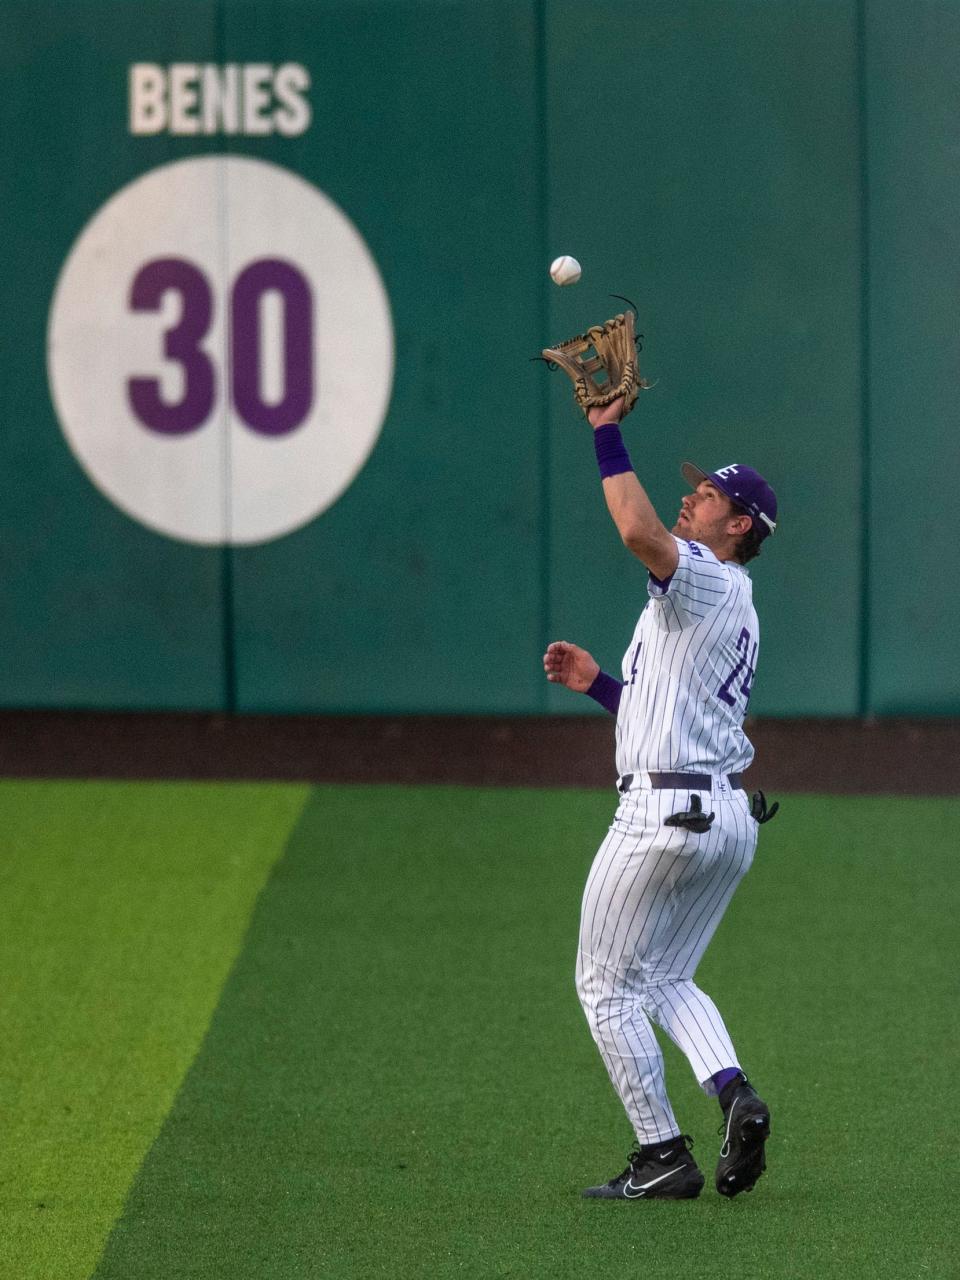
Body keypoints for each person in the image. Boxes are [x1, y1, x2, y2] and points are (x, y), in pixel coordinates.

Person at [543, 395, 778, 1201]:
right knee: (663, 975)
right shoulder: (725, 605)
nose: (692, 497)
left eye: (709, 495)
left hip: (662, 819)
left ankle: (662, 1154)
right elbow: (671, 716)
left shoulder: (706, 577)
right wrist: (600, 686)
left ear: (739, 525)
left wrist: (606, 432)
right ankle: (732, 1090)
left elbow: (638, 531)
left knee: (603, 984)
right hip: (726, 818)